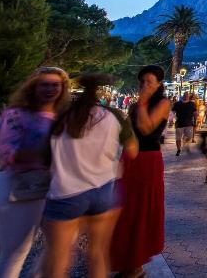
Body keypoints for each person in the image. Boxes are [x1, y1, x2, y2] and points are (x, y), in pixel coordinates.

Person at [42, 74, 138, 278]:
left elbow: (46, 156)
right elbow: (132, 150)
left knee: (59, 258)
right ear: (101, 92)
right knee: (98, 254)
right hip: (104, 191)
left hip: (66, 193)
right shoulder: (114, 115)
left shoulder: (61, 116)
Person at [0, 67, 71, 277]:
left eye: (55, 85)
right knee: (16, 251)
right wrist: (50, 153)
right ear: (33, 87)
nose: (50, 89)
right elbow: (6, 154)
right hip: (20, 188)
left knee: (59, 247)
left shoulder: (63, 117)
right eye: (44, 84)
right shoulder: (16, 115)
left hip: (55, 189)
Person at [110, 65, 170, 277]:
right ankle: (127, 261)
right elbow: (128, 132)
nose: (144, 86)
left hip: (148, 161)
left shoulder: (163, 103)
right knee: (125, 208)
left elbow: (146, 128)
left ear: (159, 85)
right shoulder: (137, 105)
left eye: (149, 82)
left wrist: (142, 102)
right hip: (131, 159)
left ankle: (136, 265)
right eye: (142, 82)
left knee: (140, 209)